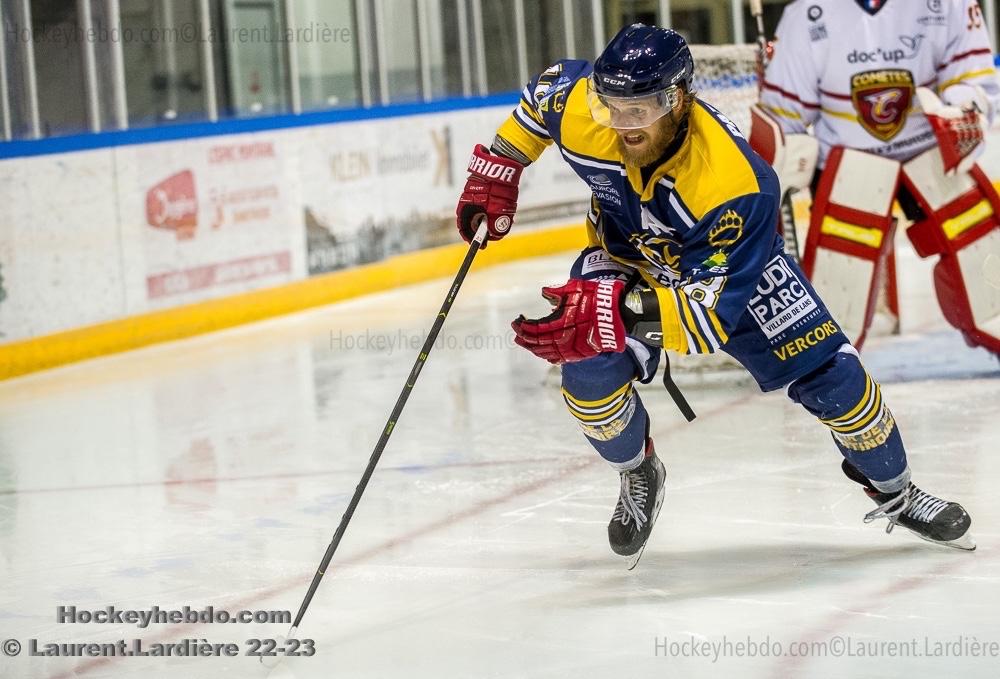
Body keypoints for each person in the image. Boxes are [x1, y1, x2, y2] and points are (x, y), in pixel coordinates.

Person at [454, 24, 975, 567]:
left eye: (642, 110)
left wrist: (612, 314)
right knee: (587, 372)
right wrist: (500, 169)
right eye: (613, 108)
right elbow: (542, 99)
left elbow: (707, 320)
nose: (624, 125)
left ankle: (897, 491)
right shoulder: (584, 103)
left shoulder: (737, 184)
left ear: (678, 98)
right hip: (627, 256)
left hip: (734, 275)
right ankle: (639, 472)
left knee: (839, 385)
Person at [756, 0, 1000, 355]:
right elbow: (783, 114)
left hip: (931, 151)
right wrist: (776, 161)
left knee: (981, 255)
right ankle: (823, 363)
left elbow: (972, 73)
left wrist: (963, 107)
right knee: (840, 287)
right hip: (848, 160)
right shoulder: (808, 12)